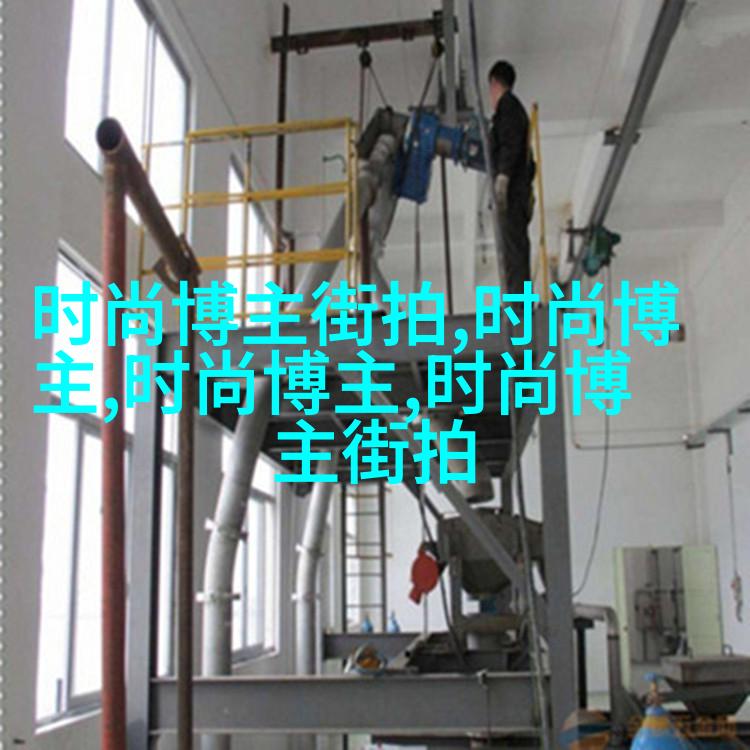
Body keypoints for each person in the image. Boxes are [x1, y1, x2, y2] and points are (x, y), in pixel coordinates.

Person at [487, 60, 535, 297]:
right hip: (518, 194)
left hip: (512, 195)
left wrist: (503, 178)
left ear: (494, 83)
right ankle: (517, 301)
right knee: (514, 251)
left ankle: (517, 304)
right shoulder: (515, 110)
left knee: (513, 252)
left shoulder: (508, 108)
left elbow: (510, 143)